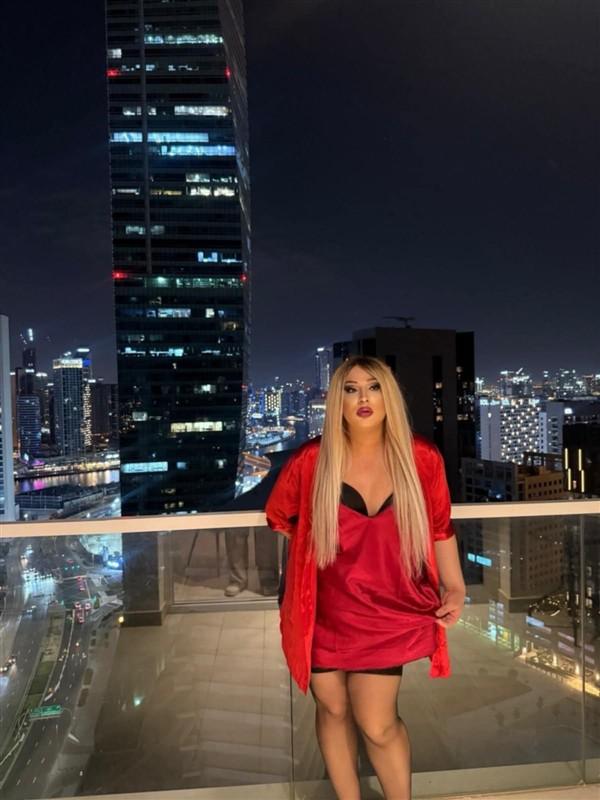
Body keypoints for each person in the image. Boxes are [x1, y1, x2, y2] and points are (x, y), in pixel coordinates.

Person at [265, 356, 466, 800]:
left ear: (388, 396)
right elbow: (280, 516)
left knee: (377, 723)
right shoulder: (312, 459)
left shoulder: (420, 457)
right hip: (322, 609)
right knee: (333, 709)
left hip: (388, 608)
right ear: (336, 401)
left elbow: (439, 527)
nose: (363, 398)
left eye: (373, 387)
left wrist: (455, 587)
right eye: (351, 389)